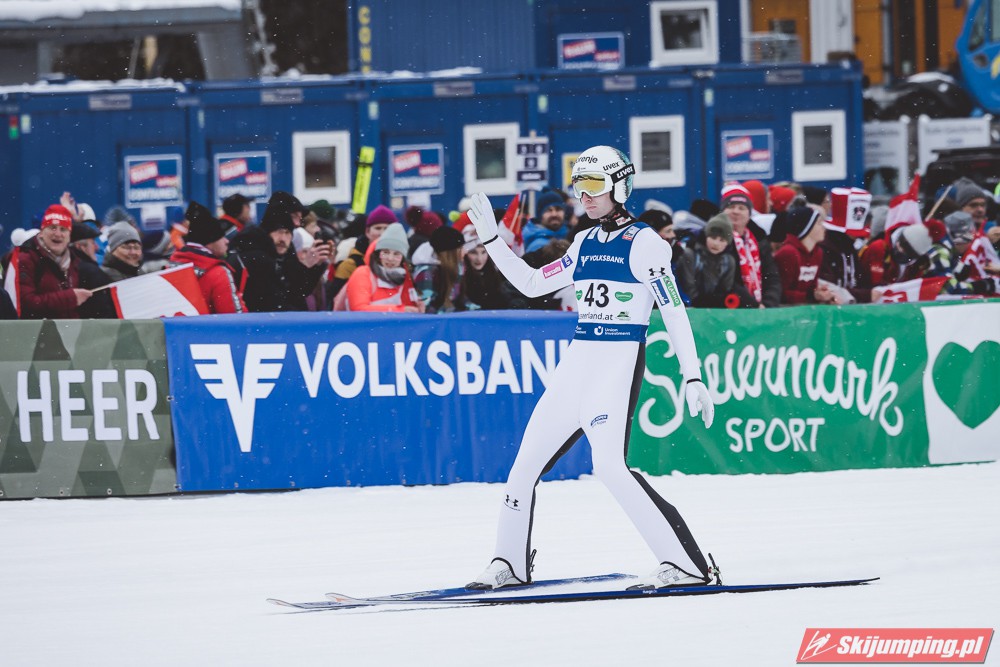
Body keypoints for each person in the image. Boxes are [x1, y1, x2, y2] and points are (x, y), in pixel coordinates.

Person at [464, 145, 716, 591]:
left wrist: (692, 375)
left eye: (595, 185)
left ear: (620, 186)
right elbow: (531, 283)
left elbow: (674, 311)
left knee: (610, 468)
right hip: (576, 367)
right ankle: (509, 562)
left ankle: (687, 564)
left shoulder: (646, 244)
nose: (586, 196)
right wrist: (492, 241)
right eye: (580, 186)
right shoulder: (583, 243)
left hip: (615, 367)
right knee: (523, 466)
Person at [234, 203, 331, 312]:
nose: (283, 239)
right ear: (268, 233)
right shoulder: (259, 260)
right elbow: (278, 302)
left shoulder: (284, 259)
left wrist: (314, 267)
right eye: (279, 232)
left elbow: (297, 294)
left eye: (287, 233)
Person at [16, 204, 93, 319]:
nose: (57, 234)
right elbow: (26, 303)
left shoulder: (74, 261)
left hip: (67, 329)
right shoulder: (26, 259)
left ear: (69, 236)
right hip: (38, 329)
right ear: (41, 232)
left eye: (63, 229)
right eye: (52, 228)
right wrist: (70, 298)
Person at [170, 201, 246, 314]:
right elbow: (234, 317)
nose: (226, 241)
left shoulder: (171, 267)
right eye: (221, 237)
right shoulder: (219, 274)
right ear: (210, 241)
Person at [722, 183, 782, 307]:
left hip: (761, 308)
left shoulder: (759, 240)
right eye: (731, 207)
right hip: (730, 307)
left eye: (741, 208)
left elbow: (771, 277)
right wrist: (753, 305)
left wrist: (768, 303)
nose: (736, 211)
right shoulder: (716, 239)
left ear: (749, 214)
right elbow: (726, 281)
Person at [342, 222, 422, 312]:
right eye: (385, 252)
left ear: (403, 258)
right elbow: (359, 309)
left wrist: (418, 309)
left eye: (396, 254)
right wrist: (400, 310)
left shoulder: (405, 278)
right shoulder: (363, 274)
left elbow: (409, 309)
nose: (390, 258)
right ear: (378, 254)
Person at [676, 213, 747, 308]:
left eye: (722, 240)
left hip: (711, 309)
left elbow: (725, 291)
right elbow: (688, 290)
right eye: (713, 238)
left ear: (727, 243)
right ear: (706, 236)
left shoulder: (729, 261)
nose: (716, 243)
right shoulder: (690, 255)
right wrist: (714, 302)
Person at [818, 188, 876, 304]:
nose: (857, 237)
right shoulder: (824, 249)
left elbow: (861, 281)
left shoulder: (849, 247)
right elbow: (830, 289)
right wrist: (867, 295)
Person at [773, 205, 838, 305]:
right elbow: (781, 293)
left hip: (804, 308)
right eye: (818, 223)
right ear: (807, 227)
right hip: (784, 309)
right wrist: (812, 296)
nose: (824, 227)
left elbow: (811, 288)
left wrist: (821, 294)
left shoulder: (817, 253)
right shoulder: (788, 253)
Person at [329, 204, 396, 298]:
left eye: (387, 228)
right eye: (378, 228)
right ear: (367, 231)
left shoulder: (401, 260)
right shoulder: (350, 264)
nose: (382, 233)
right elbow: (335, 299)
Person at [455, 228, 524, 311]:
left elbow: (507, 298)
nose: (479, 258)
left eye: (483, 252)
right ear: (465, 254)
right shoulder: (459, 277)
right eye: (473, 252)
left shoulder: (496, 274)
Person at [412, 225, 466, 313]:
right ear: (450, 253)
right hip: (439, 320)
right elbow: (426, 308)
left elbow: (461, 301)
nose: (465, 251)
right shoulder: (427, 273)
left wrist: (473, 311)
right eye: (460, 248)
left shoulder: (457, 267)